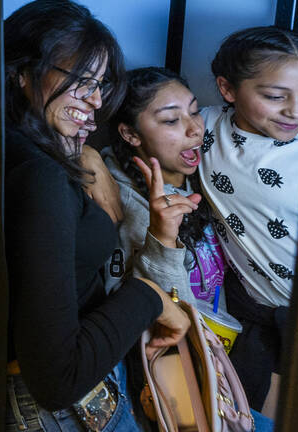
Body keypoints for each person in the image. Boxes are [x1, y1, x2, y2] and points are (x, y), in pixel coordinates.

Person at [3, 0, 192, 432]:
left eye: (101, 83)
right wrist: (149, 296)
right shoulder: (39, 176)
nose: (93, 100)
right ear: (21, 73)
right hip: (64, 409)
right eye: (77, 80)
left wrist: (82, 154)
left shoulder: (21, 146)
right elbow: (56, 378)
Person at [198, 26, 298, 414]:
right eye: (274, 96)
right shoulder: (203, 128)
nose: (296, 112)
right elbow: (137, 128)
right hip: (251, 311)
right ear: (228, 89)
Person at [99, 67, 241, 335]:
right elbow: (143, 310)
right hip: (176, 349)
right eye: (171, 121)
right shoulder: (130, 207)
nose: (195, 130)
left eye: (195, 111)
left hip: (216, 337)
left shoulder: (205, 170)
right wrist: (162, 239)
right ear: (130, 134)